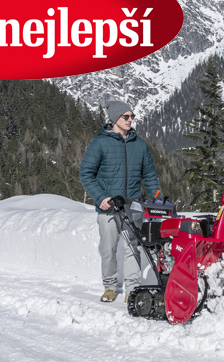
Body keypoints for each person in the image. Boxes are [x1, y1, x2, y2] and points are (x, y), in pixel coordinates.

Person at [79, 100, 161, 303]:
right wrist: (100, 197)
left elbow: (149, 175)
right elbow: (86, 173)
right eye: (126, 116)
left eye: (132, 116)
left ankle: (132, 289)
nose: (130, 120)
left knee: (133, 248)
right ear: (115, 118)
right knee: (109, 250)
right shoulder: (99, 143)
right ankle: (109, 287)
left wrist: (157, 200)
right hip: (108, 207)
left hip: (133, 206)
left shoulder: (139, 145)